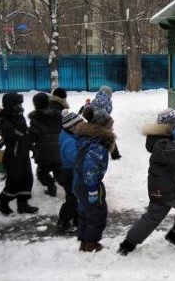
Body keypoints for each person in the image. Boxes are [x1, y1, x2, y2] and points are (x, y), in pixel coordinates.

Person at [118, 108, 175, 256]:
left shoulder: (171, 140)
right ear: (169, 127)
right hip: (169, 188)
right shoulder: (160, 142)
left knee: (153, 216)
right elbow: (174, 156)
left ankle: (128, 244)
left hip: (164, 187)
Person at [74, 107, 116, 252]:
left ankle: (84, 241)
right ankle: (90, 244)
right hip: (89, 185)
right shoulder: (98, 144)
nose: (112, 128)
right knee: (97, 214)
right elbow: (89, 168)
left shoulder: (88, 139)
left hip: (80, 183)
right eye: (110, 125)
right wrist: (92, 190)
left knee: (84, 212)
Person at [0, 92, 38, 215]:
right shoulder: (3, 118)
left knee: (27, 178)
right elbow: (12, 134)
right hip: (12, 154)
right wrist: (24, 129)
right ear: (10, 105)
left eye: (20, 103)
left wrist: (32, 147)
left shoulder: (18, 115)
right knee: (14, 180)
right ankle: (2, 203)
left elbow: (24, 134)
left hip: (23, 152)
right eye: (17, 103)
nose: (20, 106)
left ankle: (23, 204)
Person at [28, 92, 62, 197]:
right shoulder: (58, 116)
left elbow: (32, 137)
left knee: (42, 173)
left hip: (43, 154)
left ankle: (51, 187)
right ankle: (68, 188)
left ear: (35, 104)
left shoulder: (36, 119)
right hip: (58, 151)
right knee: (59, 171)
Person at [57, 111, 85, 233]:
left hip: (73, 172)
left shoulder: (71, 136)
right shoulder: (68, 141)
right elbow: (74, 158)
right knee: (72, 198)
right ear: (72, 128)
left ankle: (77, 217)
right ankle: (63, 219)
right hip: (69, 173)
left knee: (77, 196)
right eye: (79, 127)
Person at [83, 85, 121, 160]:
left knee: (92, 136)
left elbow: (88, 108)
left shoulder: (95, 100)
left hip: (92, 120)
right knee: (109, 137)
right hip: (104, 121)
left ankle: (89, 149)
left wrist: (87, 104)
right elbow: (108, 111)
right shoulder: (108, 102)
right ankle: (115, 154)